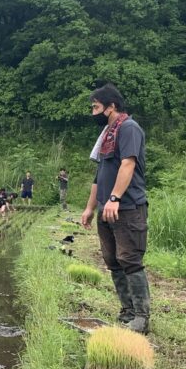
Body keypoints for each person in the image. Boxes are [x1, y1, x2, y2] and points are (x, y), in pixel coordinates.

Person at [81, 83, 151, 334]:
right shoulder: (106, 136)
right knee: (113, 260)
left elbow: (128, 164)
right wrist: (90, 208)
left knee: (130, 259)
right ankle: (127, 310)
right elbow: (99, 175)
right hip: (106, 208)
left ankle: (142, 317)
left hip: (127, 206)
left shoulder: (128, 128)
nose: (93, 113)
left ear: (111, 107)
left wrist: (114, 198)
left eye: (96, 107)